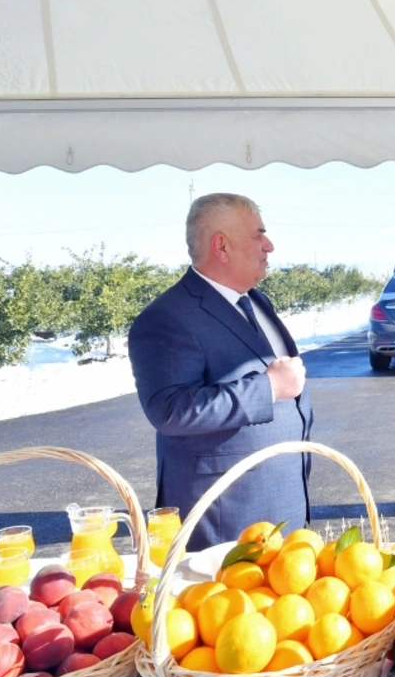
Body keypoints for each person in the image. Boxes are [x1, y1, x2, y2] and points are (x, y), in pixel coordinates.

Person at [128, 193, 312, 551]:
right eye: (258, 235)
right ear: (221, 246)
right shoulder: (166, 318)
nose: (269, 245)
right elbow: (171, 410)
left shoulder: (256, 300)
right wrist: (269, 388)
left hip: (281, 503)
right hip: (225, 516)